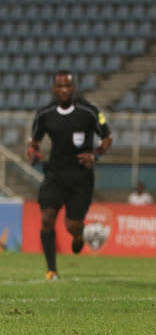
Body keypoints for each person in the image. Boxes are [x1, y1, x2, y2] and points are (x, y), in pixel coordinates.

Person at [27, 70, 112, 280]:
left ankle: (78, 235)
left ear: (73, 88)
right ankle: (51, 270)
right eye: (60, 86)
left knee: (72, 225)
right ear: (54, 89)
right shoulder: (44, 114)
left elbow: (107, 137)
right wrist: (33, 152)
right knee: (47, 219)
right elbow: (34, 142)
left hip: (81, 177)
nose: (64, 90)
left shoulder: (89, 111)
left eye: (68, 86)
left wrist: (95, 155)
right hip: (55, 174)